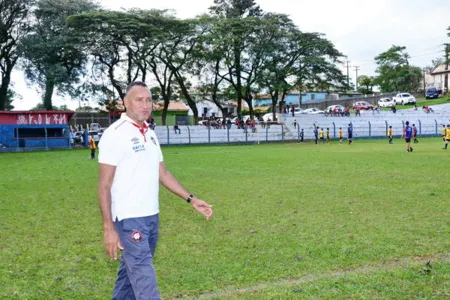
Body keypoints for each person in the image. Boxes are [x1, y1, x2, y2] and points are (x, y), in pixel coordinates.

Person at [98, 81, 213, 299]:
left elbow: (163, 174)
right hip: (130, 219)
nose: (145, 105)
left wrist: (191, 199)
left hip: (151, 216)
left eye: (149, 100)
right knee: (145, 283)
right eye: (139, 99)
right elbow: (104, 184)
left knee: (129, 277)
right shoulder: (115, 134)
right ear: (125, 103)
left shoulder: (150, 133)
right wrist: (108, 228)